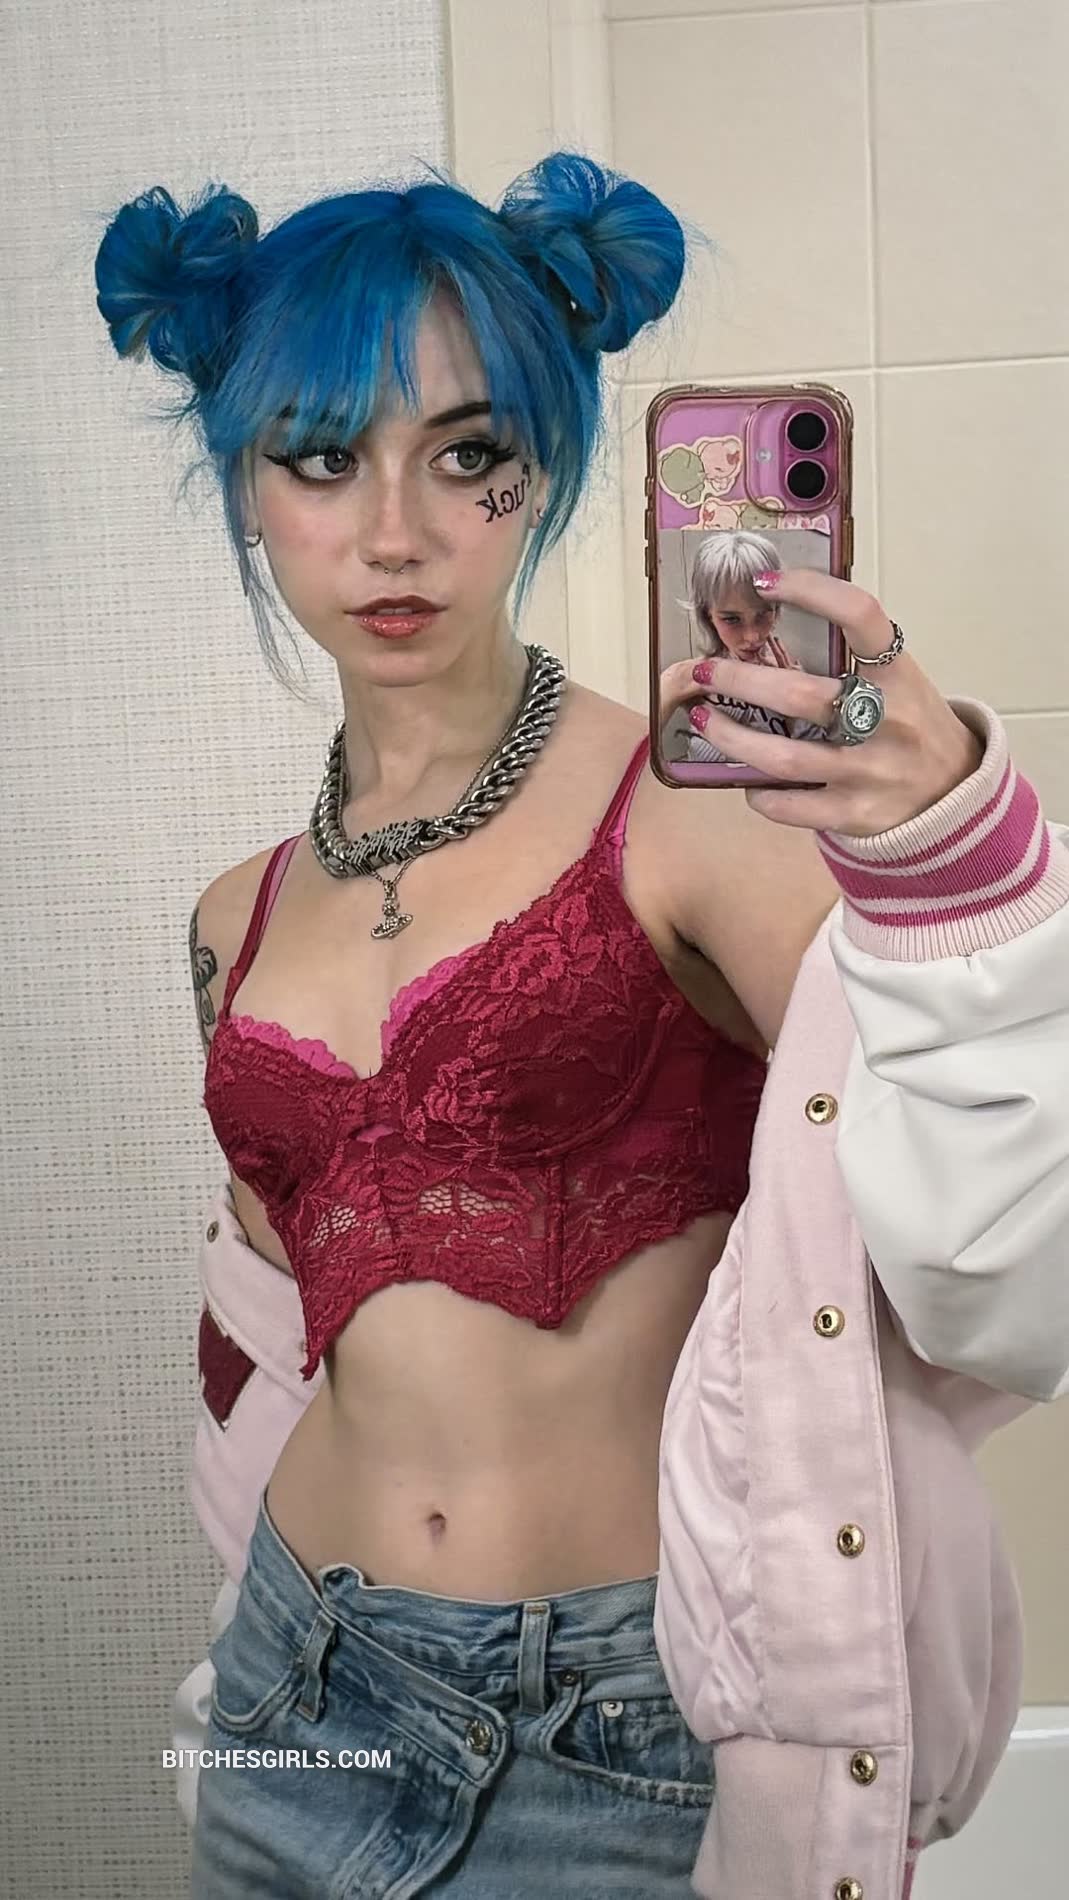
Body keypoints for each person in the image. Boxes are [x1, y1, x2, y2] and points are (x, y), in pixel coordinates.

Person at [94, 153, 1069, 1899]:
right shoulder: (234, 920)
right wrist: (234, 1653)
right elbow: (278, 1347)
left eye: (467, 453)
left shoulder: (695, 816)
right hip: (292, 1696)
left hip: (609, 1734)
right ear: (244, 482)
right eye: (320, 457)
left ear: (544, 468)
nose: (395, 532)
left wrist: (953, 869)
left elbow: (997, 1266)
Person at [666, 528, 829, 764]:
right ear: (707, 615)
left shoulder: (790, 676)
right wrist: (672, 684)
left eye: (763, 615)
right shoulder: (690, 679)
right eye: (732, 619)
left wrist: (800, 710)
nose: (752, 637)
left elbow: (818, 767)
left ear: (776, 609)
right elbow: (632, 752)